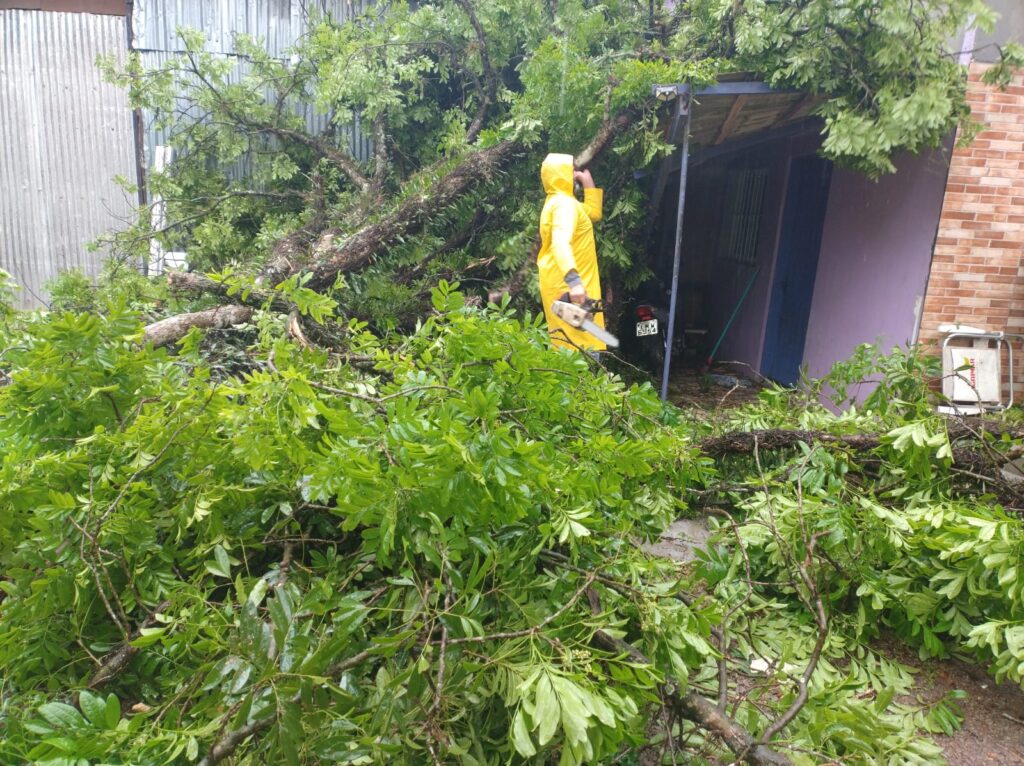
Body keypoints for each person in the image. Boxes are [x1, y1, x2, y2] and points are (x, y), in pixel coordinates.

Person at [536, 152, 606, 353]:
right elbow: (560, 243)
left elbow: (593, 212)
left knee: (573, 346)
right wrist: (574, 283)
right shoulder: (565, 206)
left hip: (568, 288)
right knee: (578, 352)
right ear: (562, 174)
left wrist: (587, 182)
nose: (574, 173)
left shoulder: (562, 202)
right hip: (570, 290)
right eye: (571, 170)